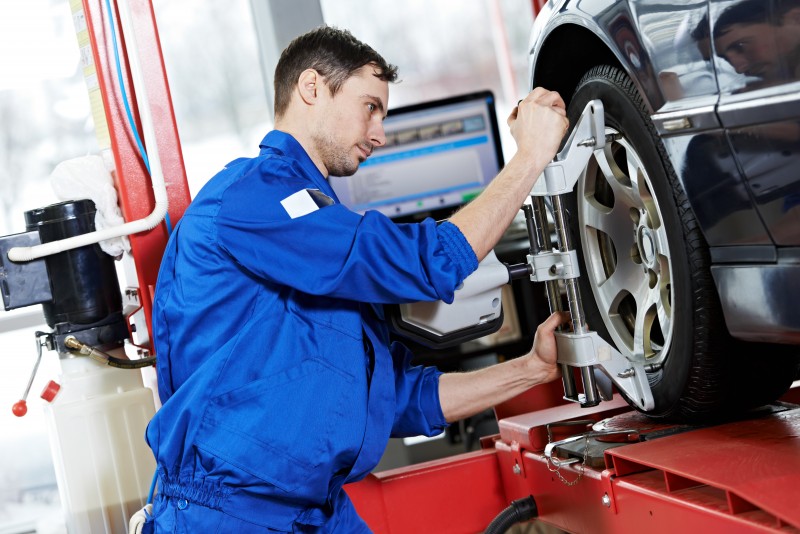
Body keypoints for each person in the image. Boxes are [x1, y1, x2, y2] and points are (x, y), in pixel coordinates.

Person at [143, 25, 569, 533]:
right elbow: (426, 264)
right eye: (370, 107)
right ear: (312, 88)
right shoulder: (251, 198)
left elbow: (393, 400)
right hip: (228, 515)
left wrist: (531, 369)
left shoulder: (317, 221)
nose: (379, 134)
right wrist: (529, 157)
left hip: (315, 511)